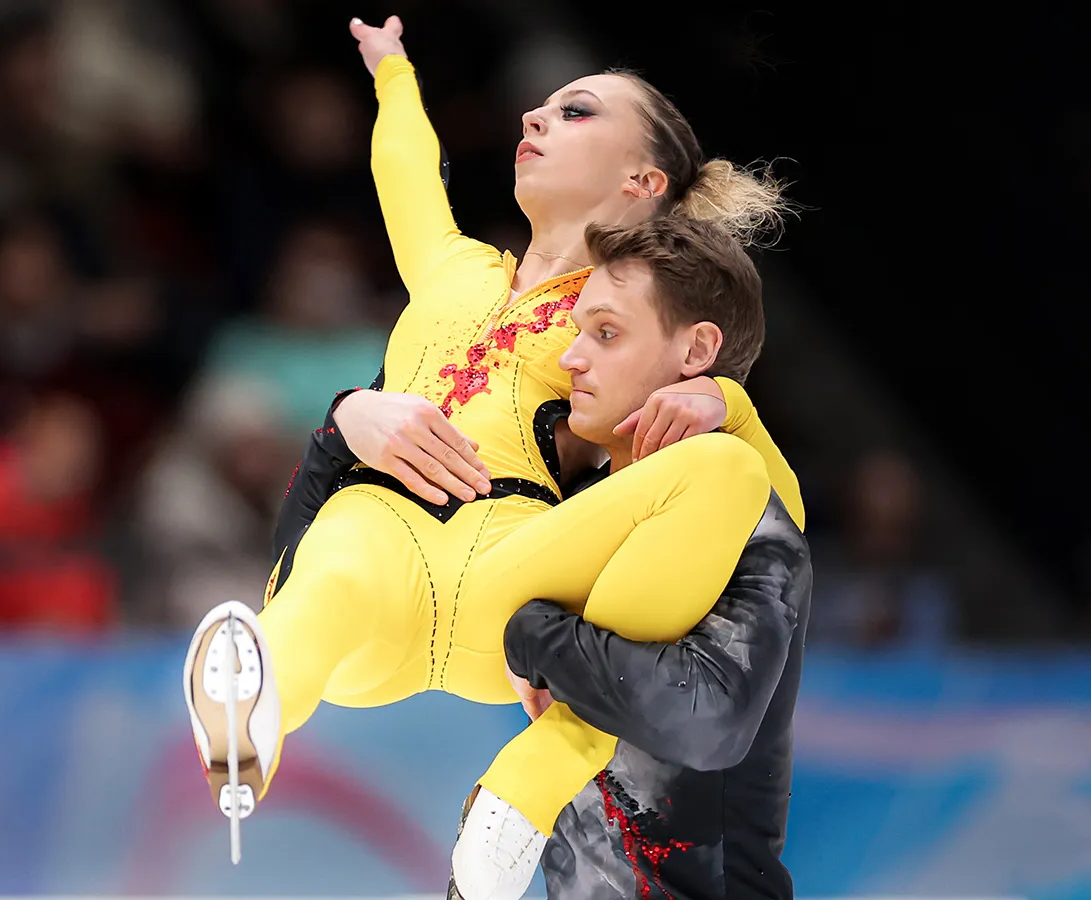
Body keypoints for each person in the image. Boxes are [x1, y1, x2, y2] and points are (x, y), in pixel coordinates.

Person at [182, 15, 799, 886]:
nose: (533, 118)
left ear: (643, 181)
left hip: (511, 574)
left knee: (724, 469)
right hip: (377, 548)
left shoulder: (637, 314)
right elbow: (405, 174)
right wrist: (392, 73)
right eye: (539, 108)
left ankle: (530, 785)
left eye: (575, 111)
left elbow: (769, 516)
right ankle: (250, 727)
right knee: (335, 574)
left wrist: (725, 402)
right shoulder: (455, 268)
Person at [288, 219, 809, 899]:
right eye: (575, 331)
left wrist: (532, 632)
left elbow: (705, 719)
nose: (570, 358)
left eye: (606, 334)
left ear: (696, 351)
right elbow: (296, 577)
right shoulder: (568, 510)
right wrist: (340, 428)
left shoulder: (752, 520)